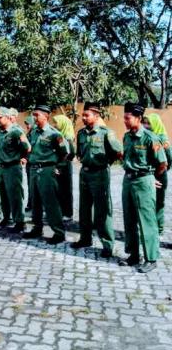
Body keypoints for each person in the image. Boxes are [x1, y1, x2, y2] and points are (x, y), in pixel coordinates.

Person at [71, 102, 123, 258]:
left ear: (96, 115)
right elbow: (79, 153)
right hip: (84, 174)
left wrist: (107, 162)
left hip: (100, 174)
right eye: (83, 115)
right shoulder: (81, 133)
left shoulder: (106, 133)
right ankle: (85, 238)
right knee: (84, 209)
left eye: (87, 115)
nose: (84, 117)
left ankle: (107, 245)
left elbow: (118, 151)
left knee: (103, 211)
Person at [121, 103, 167, 273]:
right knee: (129, 220)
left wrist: (151, 178)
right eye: (124, 117)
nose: (125, 121)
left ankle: (151, 258)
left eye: (128, 118)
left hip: (143, 182)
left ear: (138, 118)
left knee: (146, 221)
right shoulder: (126, 137)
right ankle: (133, 255)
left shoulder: (150, 138)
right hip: (128, 181)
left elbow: (162, 163)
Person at [23, 105, 68, 244]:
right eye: (34, 115)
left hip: (47, 170)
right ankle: (37, 228)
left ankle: (59, 232)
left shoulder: (54, 134)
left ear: (46, 116)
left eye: (37, 115)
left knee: (50, 202)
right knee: (35, 201)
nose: (34, 117)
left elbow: (65, 152)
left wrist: (57, 167)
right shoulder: (33, 132)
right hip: (33, 169)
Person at [0, 107, 31, 233]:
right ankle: (7, 217)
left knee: (15, 195)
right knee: (3, 194)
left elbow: (27, 147)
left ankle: (20, 221)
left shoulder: (16, 131)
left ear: (7, 117)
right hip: (2, 167)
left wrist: (23, 157)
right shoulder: (0, 132)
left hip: (13, 167)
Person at [143, 113, 171, 235]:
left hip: (159, 174)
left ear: (156, 124)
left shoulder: (162, 139)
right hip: (147, 174)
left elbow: (169, 157)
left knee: (158, 203)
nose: (146, 125)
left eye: (149, 123)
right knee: (147, 203)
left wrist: (163, 170)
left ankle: (159, 230)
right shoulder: (145, 137)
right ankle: (149, 228)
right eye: (144, 122)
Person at [53, 115, 76, 219]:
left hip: (64, 165)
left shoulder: (67, 136)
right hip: (60, 164)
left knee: (66, 189)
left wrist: (65, 161)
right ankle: (61, 211)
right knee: (59, 189)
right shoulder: (59, 135)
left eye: (56, 123)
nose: (54, 125)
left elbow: (72, 152)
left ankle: (67, 213)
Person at [24, 116, 35, 212]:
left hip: (33, 163)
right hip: (29, 163)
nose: (27, 126)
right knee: (30, 184)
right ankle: (30, 203)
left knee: (34, 185)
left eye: (28, 124)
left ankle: (33, 204)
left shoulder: (34, 134)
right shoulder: (29, 134)